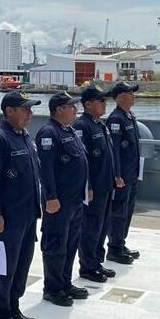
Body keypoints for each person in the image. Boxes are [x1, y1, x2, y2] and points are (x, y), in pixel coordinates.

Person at [0, 90, 42, 319]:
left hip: (27, 215)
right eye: (24, 109)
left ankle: (13, 306)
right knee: (5, 268)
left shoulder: (25, 136)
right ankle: (0, 312)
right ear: (9, 111)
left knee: (21, 265)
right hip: (8, 219)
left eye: (30, 109)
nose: (30, 113)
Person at [36, 91, 90, 307]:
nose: (75, 110)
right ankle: (52, 288)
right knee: (56, 244)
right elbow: (46, 168)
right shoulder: (49, 133)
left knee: (70, 243)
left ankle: (65, 283)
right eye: (71, 106)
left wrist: (87, 188)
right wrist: (50, 196)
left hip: (75, 200)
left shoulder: (69, 131)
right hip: (58, 202)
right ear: (58, 109)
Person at [74, 85, 118, 283]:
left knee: (102, 227)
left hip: (106, 186)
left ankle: (97, 262)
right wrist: (88, 186)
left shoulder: (100, 125)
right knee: (91, 228)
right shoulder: (82, 126)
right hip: (94, 188)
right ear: (88, 104)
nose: (104, 104)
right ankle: (88, 266)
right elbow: (83, 161)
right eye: (101, 101)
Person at [106, 82, 142, 265]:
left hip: (132, 173)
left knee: (127, 210)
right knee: (119, 211)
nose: (133, 96)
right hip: (122, 176)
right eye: (129, 93)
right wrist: (117, 174)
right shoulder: (116, 119)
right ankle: (114, 247)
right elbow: (114, 150)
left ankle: (121, 242)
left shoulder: (129, 116)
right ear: (119, 97)